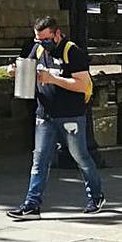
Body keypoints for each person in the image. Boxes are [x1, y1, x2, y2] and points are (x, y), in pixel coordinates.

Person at [6, 17, 105, 220]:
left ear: (57, 34)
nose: (41, 43)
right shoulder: (40, 50)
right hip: (45, 114)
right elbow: (30, 68)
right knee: (39, 160)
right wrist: (16, 71)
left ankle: (95, 196)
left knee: (81, 157)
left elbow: (82, 85)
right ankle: (32, 205)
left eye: (45, 39)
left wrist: (53, 79)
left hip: (70, 115)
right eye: (38, 39)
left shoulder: (72, 52)